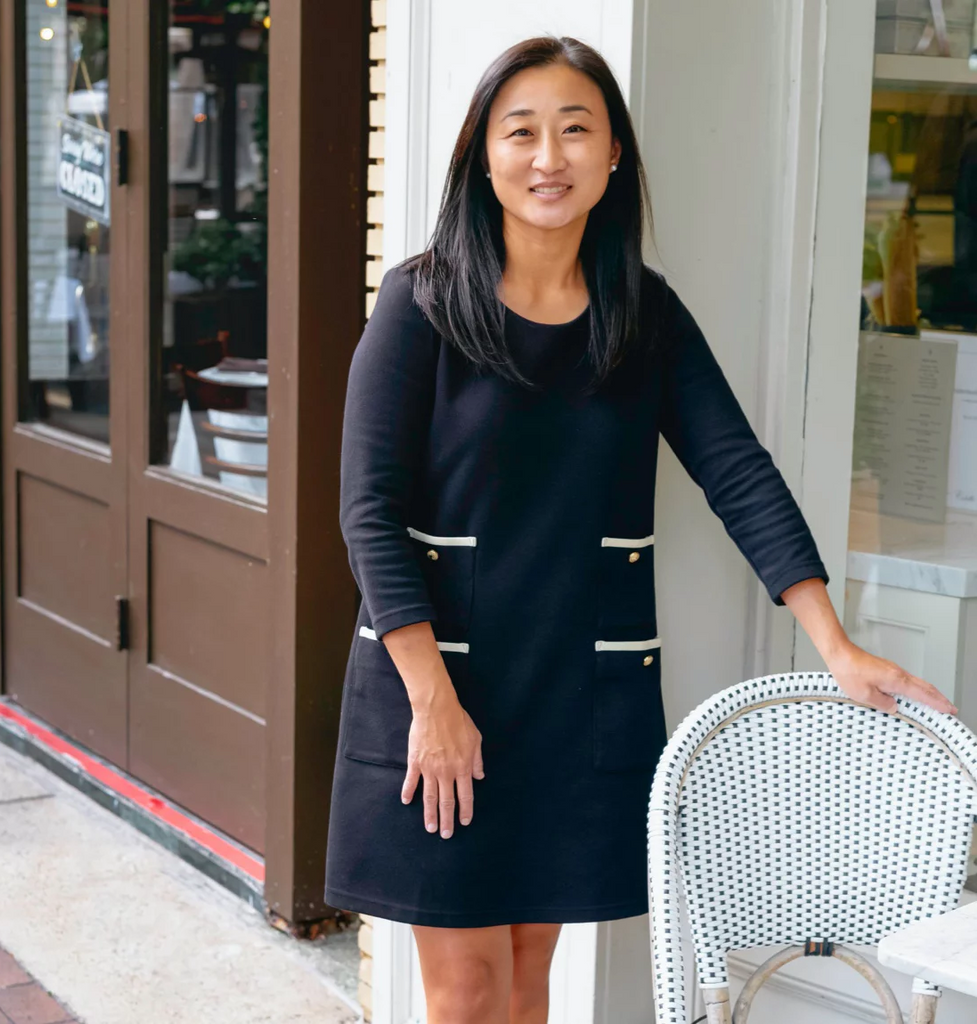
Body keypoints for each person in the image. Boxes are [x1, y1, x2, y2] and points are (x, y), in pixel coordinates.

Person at [324, 35, 957, 1024]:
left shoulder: (639, 317)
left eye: (574, 129)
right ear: (481, 155)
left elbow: (736, 471)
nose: (548, 156)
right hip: (439, 688)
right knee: (463, 993)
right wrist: (431, 701)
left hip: (576, 696)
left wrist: (832, 642)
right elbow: (366, 508)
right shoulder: (419, 304)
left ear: (611, 153)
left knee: (529, 979)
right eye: (520, 131)